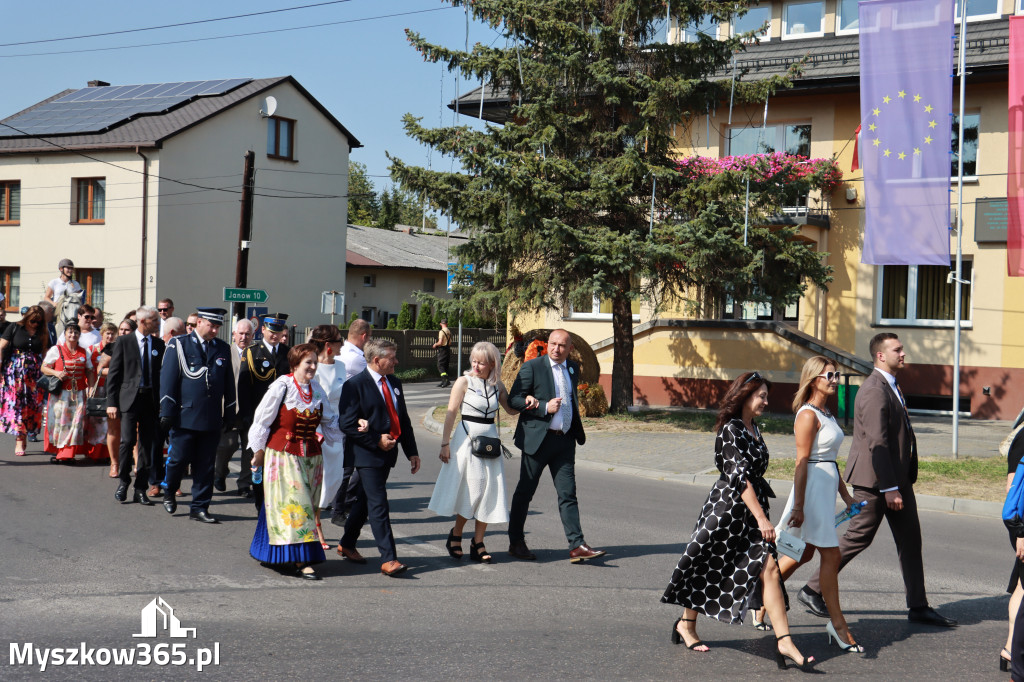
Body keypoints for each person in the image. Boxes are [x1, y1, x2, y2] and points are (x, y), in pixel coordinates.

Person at [797, 333, 957, 628]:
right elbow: (877, 442)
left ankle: (918, 605)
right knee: (859, 537)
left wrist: (899, 481)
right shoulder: (873, 389)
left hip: (896, 479)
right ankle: (812, 589)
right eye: (898, 349)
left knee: (911, 539)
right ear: (881, 356)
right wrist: (889, 488)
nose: (904, 353)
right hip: (877, 482)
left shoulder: (892, 386)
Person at [661, 372, 816, 672]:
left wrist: (760, 514)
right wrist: (761, 519)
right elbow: (739, 477)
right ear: (744, 395)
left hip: (753, 507)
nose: (766, 401)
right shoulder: (731, 430)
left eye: (766, 396)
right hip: (728, 509)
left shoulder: (753, 428)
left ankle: (784, 640)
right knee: (706, 564)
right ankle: (686, 624)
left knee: (769, 568)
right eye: (761, 395)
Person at [766, 357, 863, 653]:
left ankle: (762, 598)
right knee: (830, 556)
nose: (835, 380)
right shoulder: (807, 415)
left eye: (836, 374)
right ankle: (838, 624)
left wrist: (846, 497)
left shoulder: (827, 414)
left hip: (824, 488)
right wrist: (798, 506)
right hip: (809, 493)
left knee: (803, 553)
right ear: (813, 379)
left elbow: (830, 462)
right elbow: (802, 461)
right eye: (829, 375)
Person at [506, 329, 605, 563]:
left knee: (568, 493)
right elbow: (514, 399)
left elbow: (571, 399)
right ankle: (516, 542)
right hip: (538, 440)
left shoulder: (573, 368)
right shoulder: (533, 367)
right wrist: (541, 407)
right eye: (552, 344)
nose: (556, 349)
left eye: (562, 345)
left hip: (564, 441)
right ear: (547, 344)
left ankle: (577, 545)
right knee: (525, 492)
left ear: (570, 348)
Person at [247, 344, 343, 580]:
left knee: (302, 507)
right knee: (295, 507)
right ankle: (300, 561)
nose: (312, 366)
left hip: (311, 457)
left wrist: (356, 425)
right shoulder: (282, 386)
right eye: (307, 362)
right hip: (283, 456)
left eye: (314, 362)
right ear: (295, 365)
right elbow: (262, 421)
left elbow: (331, 421)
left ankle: (271, 553)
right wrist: (258, 451)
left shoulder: (316, 389)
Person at [429, 341, 530, 563]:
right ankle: (456, 534)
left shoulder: (498, 386)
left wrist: (529, 401)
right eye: (474, 361)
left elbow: (511, 410)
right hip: (466, 442)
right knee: (472, 491)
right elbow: (451, 412)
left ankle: (478, 542)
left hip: (490, 442)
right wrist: (444, 444)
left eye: (481, 363)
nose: (476, 366)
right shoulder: (463, 382)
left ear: (493, 364)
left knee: (488, 492)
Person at [337, 338, 420, 576]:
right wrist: (376, 440)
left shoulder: (394, 382)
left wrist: (411, 452)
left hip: (388, 453)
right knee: (378, 503)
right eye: (392, 357)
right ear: (376, 360)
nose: (396, 361)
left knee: (364, 500)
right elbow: (347, 423)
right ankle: (389, 558)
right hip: (366, 454)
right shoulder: (355, 385)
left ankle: (347, 543)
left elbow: (402, 420)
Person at [159, 307, 235, 523]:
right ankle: (169, 490)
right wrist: (167, 411)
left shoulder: (222, 348)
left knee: (206, 464)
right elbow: (169, 380)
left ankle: (200, 506)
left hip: (211, 417)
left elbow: (229, 383)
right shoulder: (180, 344)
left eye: (218, 327)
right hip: (185, 416)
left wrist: (230, 413)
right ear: (199, 322)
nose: (214, 330)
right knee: (178, 459)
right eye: (211, 325)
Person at [106, 307, 165, 505]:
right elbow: (113, 375)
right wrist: (111, 403)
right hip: (129, 399)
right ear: (143, 321)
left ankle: (140, 488)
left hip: (150, 400)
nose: (157, 323)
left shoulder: (158, 344)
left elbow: (161, 375)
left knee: (147, 445)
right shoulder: (124, 342)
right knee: (128, 440)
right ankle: (124, 481)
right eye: (154, 320)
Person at [236, 313, 290, 499]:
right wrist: (246, 415)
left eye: (278, 331)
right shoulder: (252, 352)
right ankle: (245, 482)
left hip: (280, 414)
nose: (274, 336)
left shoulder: (287, 353)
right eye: (271, 331)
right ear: (263, 330)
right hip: (257, 411)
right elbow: (244, 386)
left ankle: (272, 485)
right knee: (251, 449)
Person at [330, 318, 371, 526]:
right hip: (348, 419)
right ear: (364, 336)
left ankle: (341, 503)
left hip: (343, 418)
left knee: (348, 465)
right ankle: (340, 507)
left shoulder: (344, 355)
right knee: (348, 467)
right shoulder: (357, 360)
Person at [309, 325, 346, 550]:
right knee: (316, 479)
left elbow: (348, 398)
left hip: (337, 429)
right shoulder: (312, 367)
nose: (343, 344)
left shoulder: (341, 366)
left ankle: (317, 518)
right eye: (339, 341)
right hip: (316, 429)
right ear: (328, 346)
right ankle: (315, 526)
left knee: (334, 478)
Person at [40, 322, 98, 464]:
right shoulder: (56, 350)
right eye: (70, 332)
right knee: (61, 422)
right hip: (60, 394)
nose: (73, 335)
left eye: (76, 333)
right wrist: (56, 372)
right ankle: (60, 452)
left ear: (79, 335)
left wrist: (91, 387)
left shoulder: (85, 352)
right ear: (65, 334)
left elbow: (89, 370)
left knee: (76, 423)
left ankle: (69, 453)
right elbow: (44, 368)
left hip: (78, 393)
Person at [0, 305, 48, 455]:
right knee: (17, 406)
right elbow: (1, 346)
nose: (35, 324)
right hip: (14, 373)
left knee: (32, 407)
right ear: (27, 318)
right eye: (33, 321)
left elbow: (46, 353)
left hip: (34, 376)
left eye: (38, 322)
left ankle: (24, 433)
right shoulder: (15, 327)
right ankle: (19, 439)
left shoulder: (43, 333)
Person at [214, 318, 253, 493]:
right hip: (229, 407)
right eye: (241, 333)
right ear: (234, 334)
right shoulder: (224, 352)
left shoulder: (256, 353)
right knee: (226, 445)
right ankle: (220, 473)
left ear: (253, 336)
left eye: (247, 334)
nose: (244, 337)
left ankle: (244, 484)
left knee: (249, 448)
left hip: (251, 409)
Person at [1003, 425, 1024, 672]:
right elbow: (1012, 488)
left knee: (1021, 585)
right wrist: (1021, 532)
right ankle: (1013, 651)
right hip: (1021, 527)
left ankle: (1010, 648)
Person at [84, 322, 118, 467]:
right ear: (102, 334)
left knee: (108, 422)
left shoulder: (117, 349)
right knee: (95, 421)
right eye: (107, 333)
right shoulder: (92, 349)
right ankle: (94, 452)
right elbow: (88, 370)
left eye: (112, 333)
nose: (110, 336)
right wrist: (89, 386)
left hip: (111, 388)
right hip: (97, 387)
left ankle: (106, 453)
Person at [432, 319, 453, 388]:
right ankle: (444, 381)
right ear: (446, 324)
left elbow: (440, 342)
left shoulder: (441, 331)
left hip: (442, 349)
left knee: (440, 365)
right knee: (445, 365)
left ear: (441, 324)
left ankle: (446, 380)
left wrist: (435, 344)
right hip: (448, 349)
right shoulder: (448, 331)